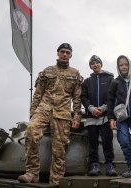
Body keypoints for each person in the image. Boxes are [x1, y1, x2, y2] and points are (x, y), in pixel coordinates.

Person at [17, 43, 83, 185]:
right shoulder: (47, 71)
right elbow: (38, 94)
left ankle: (56, 179)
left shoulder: (75, 74)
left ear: (71, 55)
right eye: (62, 52)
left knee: (59, 147)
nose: (64, 54)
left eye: (67, 52)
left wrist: (77, 116)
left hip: (62, 112)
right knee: (31, 131)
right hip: (44, 108)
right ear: (57, 53)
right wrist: (32, 113)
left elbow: (77, 98)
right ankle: (32, 173)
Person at [81, 55, 117, 176]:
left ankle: (110, 164)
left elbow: (113, 96)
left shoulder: (110, 79)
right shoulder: (87, 82)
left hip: (106, 116)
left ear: (101, 64)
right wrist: (91, 108)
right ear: (91, 66)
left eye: (97, 62)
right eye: (92, 63)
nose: (95, 65)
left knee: (107, 141)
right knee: (93, 142)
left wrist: (102, 108)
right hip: (91, 117)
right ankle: (94, 164)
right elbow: (83, 97)